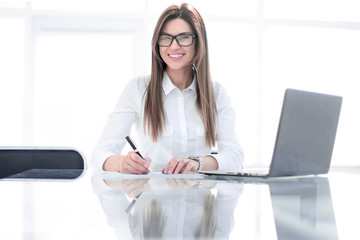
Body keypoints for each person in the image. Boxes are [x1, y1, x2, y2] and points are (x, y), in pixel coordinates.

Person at [92, 3, 244, 174]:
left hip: (199, 198)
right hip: (153, 198)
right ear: (157, 44)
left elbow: (235, 156)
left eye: (184, 37)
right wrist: (121, 163)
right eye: (165, 38)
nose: (174, 46)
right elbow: (100, 154)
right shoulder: (138, 89)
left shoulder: (217, 93)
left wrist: (196, 163)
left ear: (198, 42)